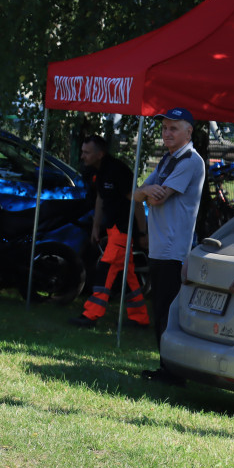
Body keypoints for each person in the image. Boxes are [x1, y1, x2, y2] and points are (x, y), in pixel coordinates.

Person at [133, 107, 205, 385]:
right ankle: (166, 368)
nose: (167, 133)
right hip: (160, 248)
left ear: (189, 131)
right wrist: (145, 193)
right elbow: (137, 195)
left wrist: (147, 193)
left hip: (174, 250)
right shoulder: (168, 160)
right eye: (164, 128)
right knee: (160, 310)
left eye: (173, 128)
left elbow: (154, 198)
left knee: (167, 312)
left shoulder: (189, 160)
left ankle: (173, 372)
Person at [68, 136, 149, 329]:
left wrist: (142, 232)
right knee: (128, 276)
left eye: (87, 152)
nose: (83, 156)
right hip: (113, 230)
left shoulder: (118, 171)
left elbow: (136, 202)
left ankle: (91, 315)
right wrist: (96, 227)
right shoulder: (100, 171)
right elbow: (100, 200)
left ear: (100, 154)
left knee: (106, 270)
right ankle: (140, 318)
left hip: (123, 230)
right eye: (82, 152)